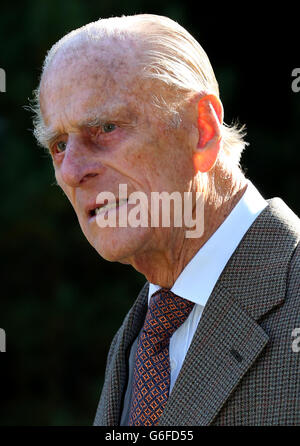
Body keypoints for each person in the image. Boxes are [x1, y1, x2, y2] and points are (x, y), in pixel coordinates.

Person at [32, 14, 300, 426]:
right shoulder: (139, 340)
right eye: (59, 145)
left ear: (202, 130)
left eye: (105, 128)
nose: (71, 171)